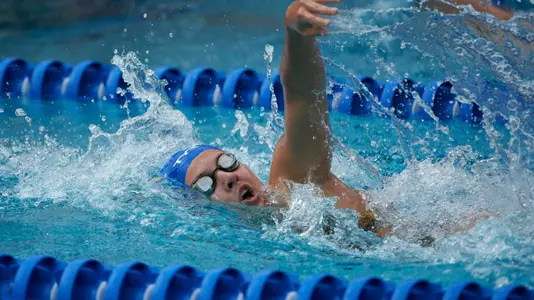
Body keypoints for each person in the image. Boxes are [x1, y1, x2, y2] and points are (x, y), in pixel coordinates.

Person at [161, 0, 391, 238]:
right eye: (206, 185)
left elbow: (302, 95)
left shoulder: (296, 183)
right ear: (199, 213)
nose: (228, 177)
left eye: (226, 162)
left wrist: (296, 35)